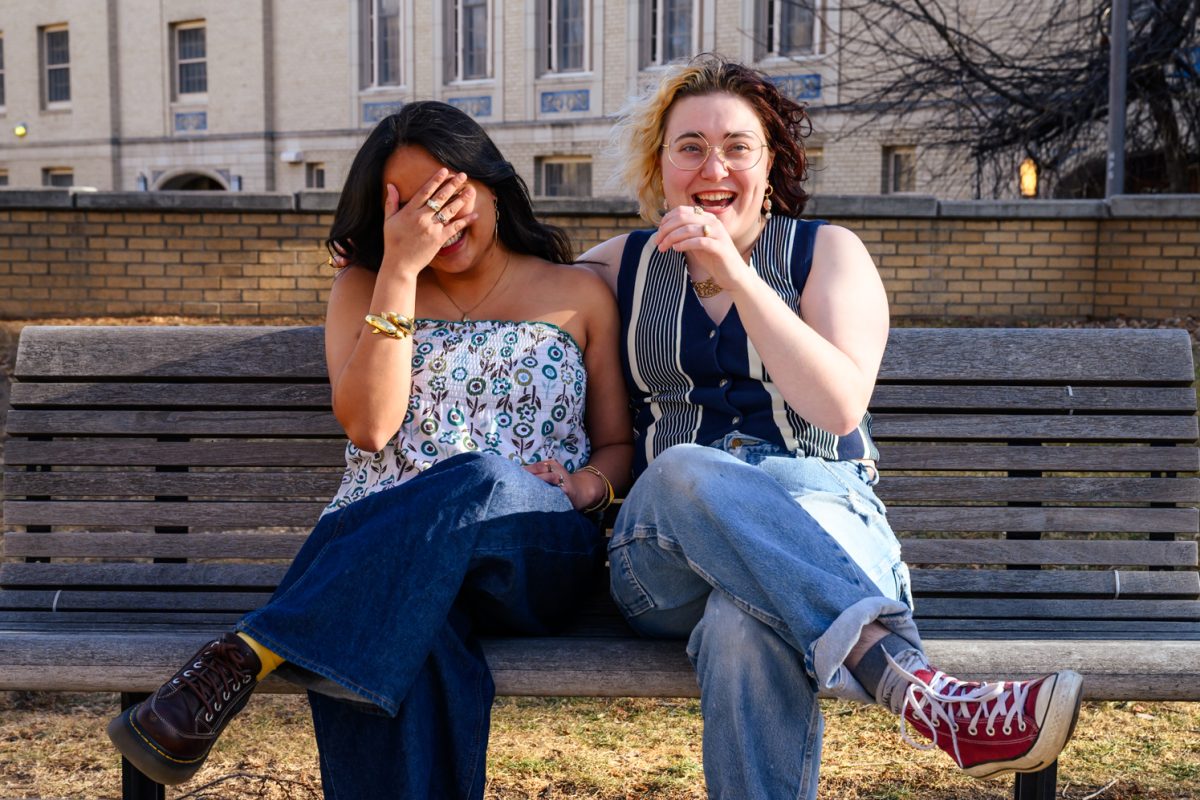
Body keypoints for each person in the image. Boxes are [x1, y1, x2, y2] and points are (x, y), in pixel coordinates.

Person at [579, 54, 1083, 799]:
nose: (712, 165)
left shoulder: (829, 254)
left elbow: (839, 407)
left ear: (771, 160)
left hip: (825, 517)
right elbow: (507, 286)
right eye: (689, 146)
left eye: (736, 146)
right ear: (660, 165)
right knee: (686, 466)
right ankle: (918, 690)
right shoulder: (621, 266)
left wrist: (740, 275)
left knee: (743, 628)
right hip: (664, 557)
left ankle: (898, 678)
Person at [106, 100, 632, 799]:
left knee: (478, 476)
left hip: (529, 541)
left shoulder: (579, 294)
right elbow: (370, 428)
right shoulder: (367, 286)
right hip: (388, 559)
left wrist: (588, 487)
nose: (433, 221)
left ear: (493, 185)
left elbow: (619, 442)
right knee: (415, 632)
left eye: (447, 195)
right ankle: (275, 644)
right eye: (409, 207)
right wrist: (399, 272)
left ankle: (250, 652)